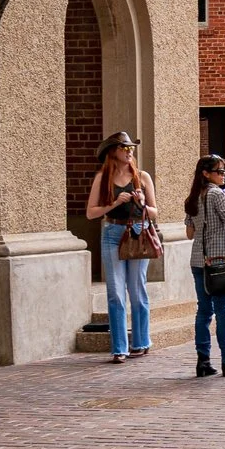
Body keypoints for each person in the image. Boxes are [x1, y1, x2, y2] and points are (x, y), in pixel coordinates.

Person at [83, 131, 157, 364]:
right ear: (113, 152)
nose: (130, 151)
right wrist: (115, 203)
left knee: (137, 290)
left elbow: (155, 212)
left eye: (131, 148)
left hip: (138, 232)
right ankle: (118, 347)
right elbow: (91, 213)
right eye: (125, 148)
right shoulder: (102, 177)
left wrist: (142, 203)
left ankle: (141, 342)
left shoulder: (142, 177)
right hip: (112, 234)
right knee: (115, 293)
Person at [184, 155, 225, 377]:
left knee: (204, 312)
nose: (223, 175)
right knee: (223, 312)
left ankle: (203, 361)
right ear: (205, 173)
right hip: (220, 262)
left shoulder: (193, 196)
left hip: (198, 261)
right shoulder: (217, 194)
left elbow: (190, 233)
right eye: (220, 172)